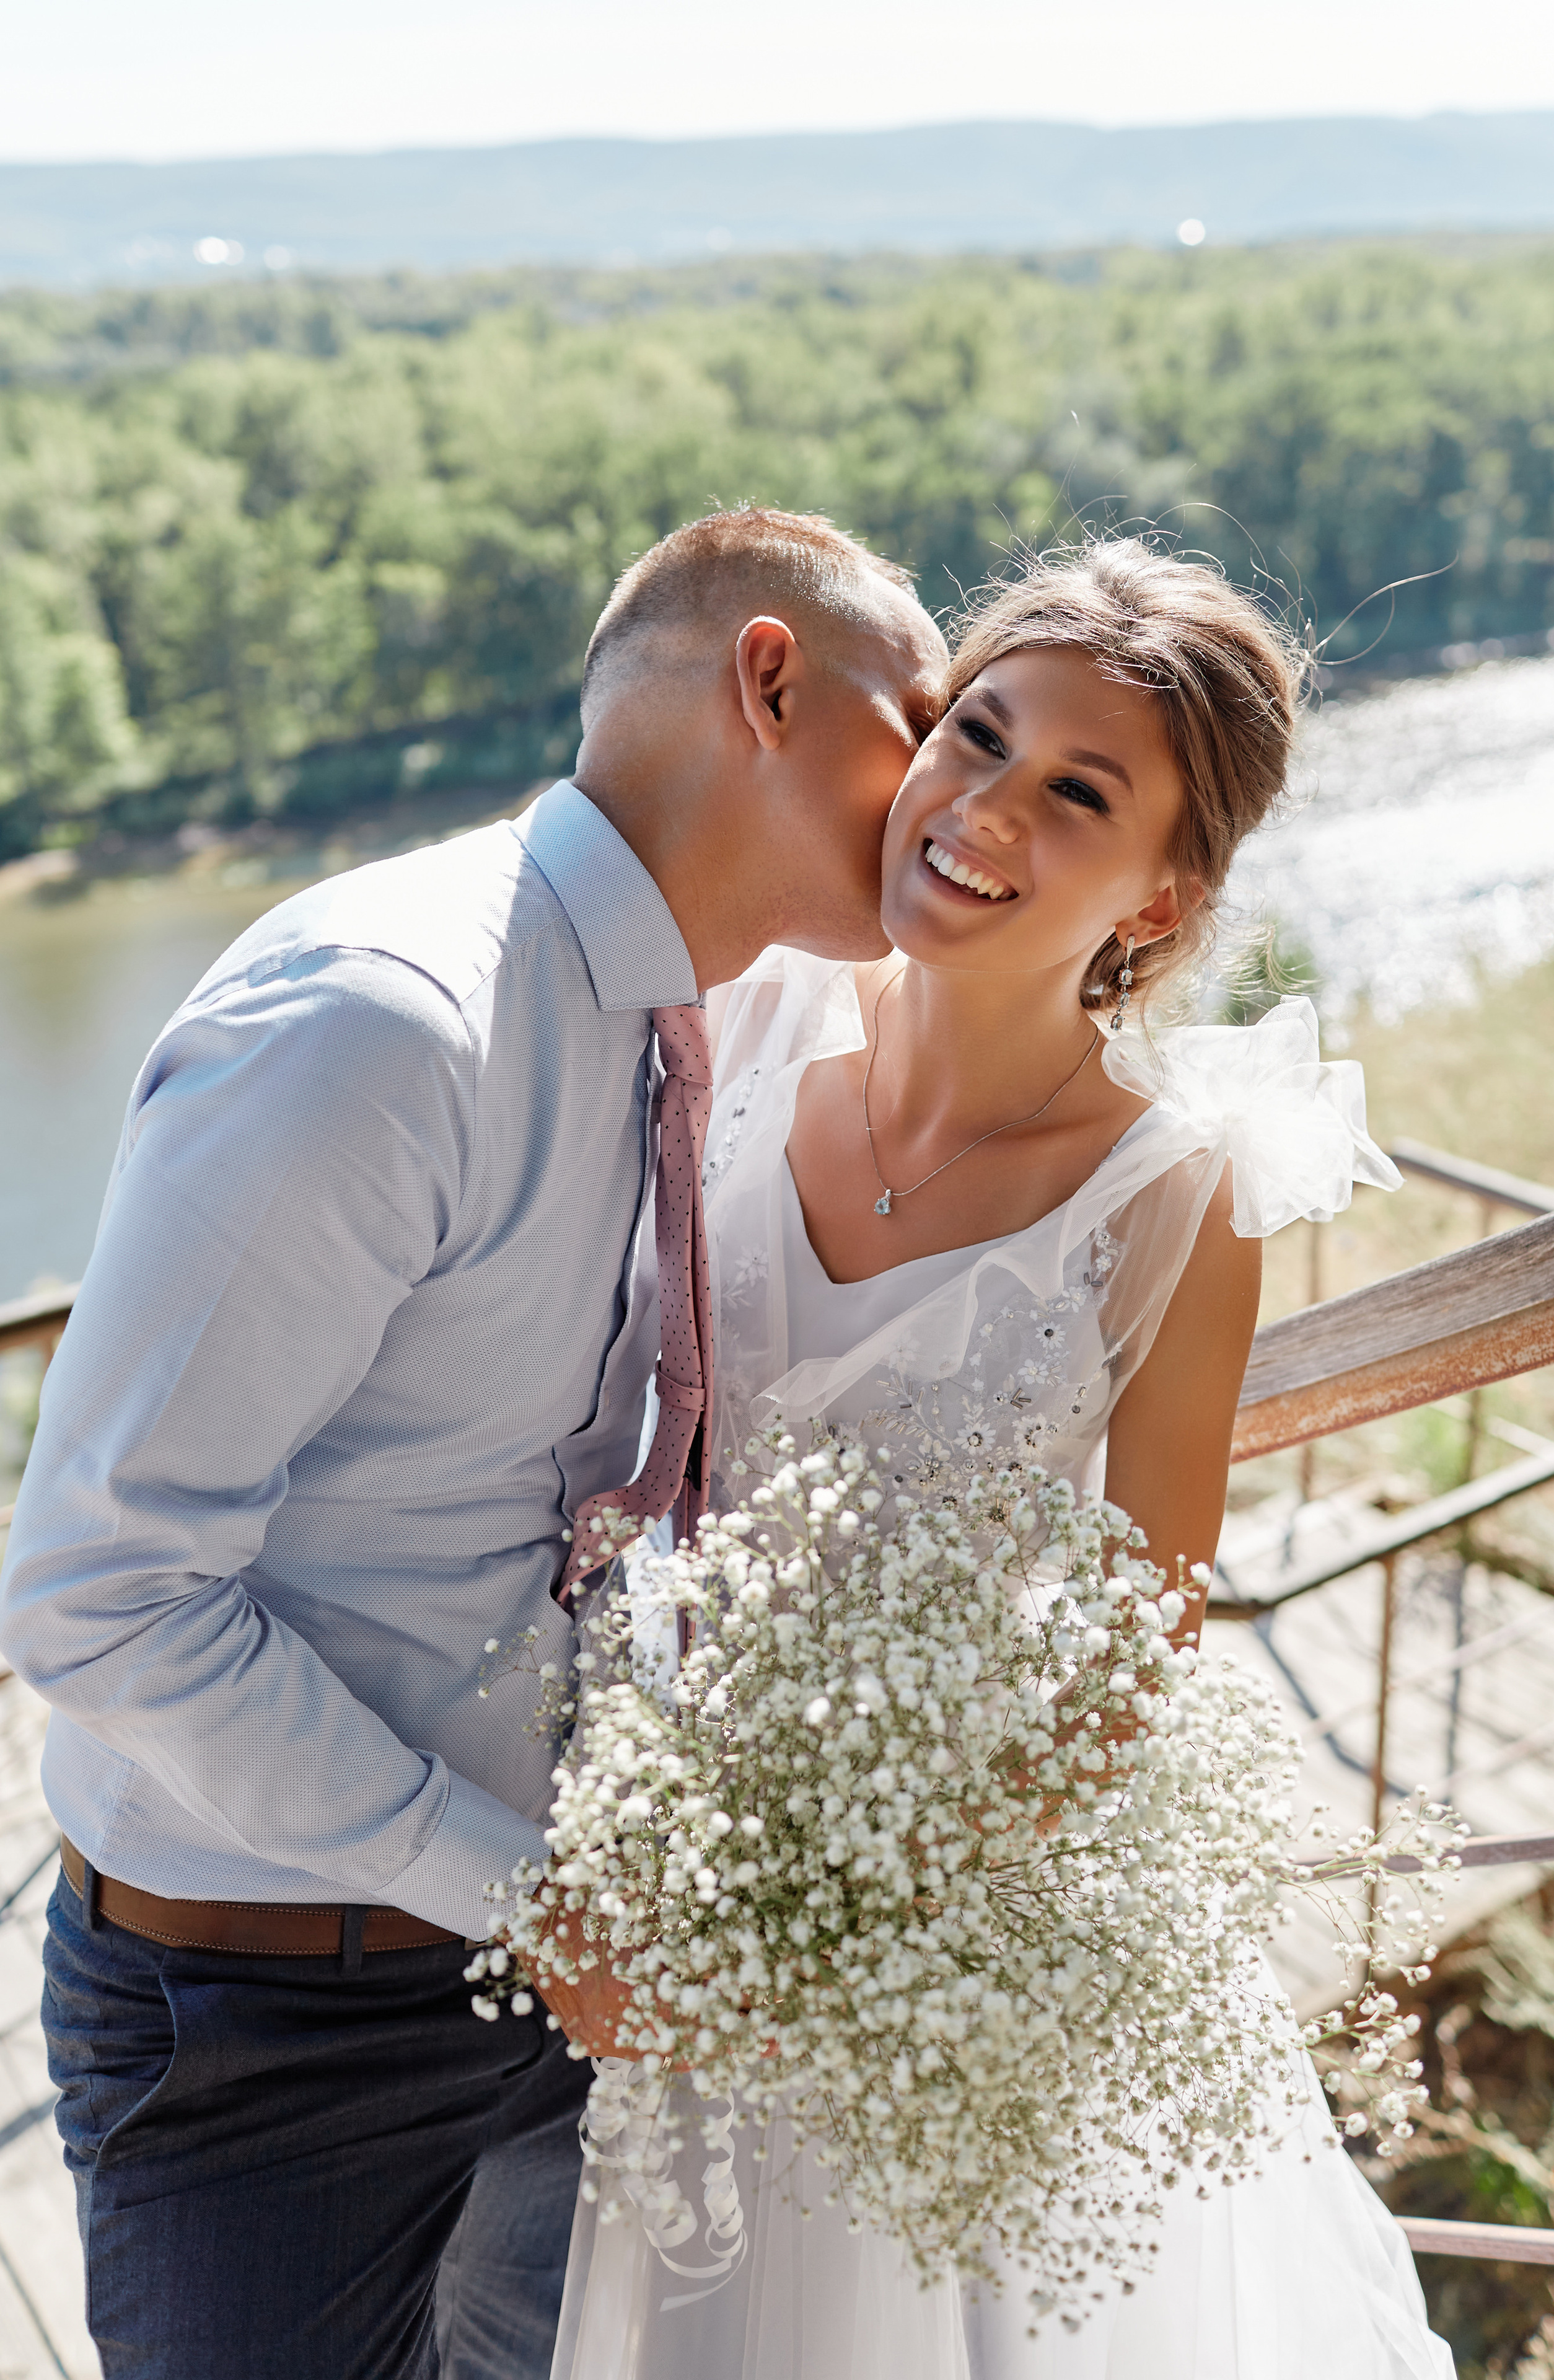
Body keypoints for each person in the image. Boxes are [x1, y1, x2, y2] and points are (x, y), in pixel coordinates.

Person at [0, 506, 948, 2380]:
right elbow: (99, 1599)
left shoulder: (734, 1000)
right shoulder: (383, 1027)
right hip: (270, 2025)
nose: (949, 799)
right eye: (926, 719)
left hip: (558, 1981)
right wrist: (531, 1903)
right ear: (770, 679)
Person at [548, 540, 1457, 2378]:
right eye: (978, 733)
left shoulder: (1173, 1192)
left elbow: (1139, 1640)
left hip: (952, 1929)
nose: (982, 809)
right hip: (680, 1845)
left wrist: (843, 1910)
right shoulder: (749, 1007)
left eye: (1079, 794)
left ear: (1163, 893)